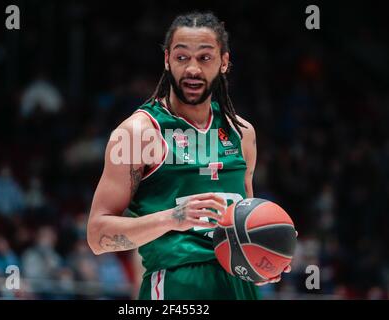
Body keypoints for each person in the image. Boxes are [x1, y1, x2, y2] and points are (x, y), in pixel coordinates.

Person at [87, 12, 291, 300]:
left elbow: (243, 223)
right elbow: (97, 236)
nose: (192, 68)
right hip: (176, 287)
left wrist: (260, 258)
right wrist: (172, 218)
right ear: (167, 60)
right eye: (182, 57)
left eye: (205, 58)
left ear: (224, 62)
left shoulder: (243, 132)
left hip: (239, 288)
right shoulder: (138, 133)